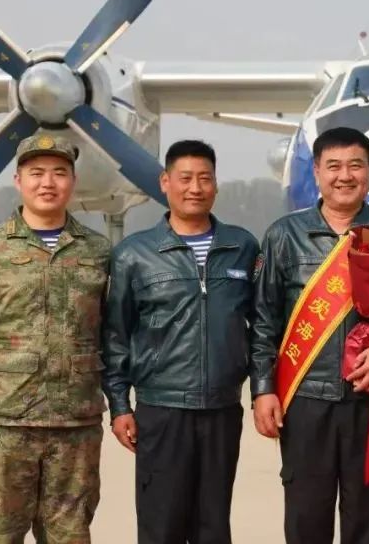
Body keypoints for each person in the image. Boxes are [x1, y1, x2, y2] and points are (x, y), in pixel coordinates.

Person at [251, 126, 369, 544]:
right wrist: (262, 389)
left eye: (355, 166)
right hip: (304, 400)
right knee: (306, 519)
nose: (345, 176)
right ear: (316, 172)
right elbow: (263, 320)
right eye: (333, 166)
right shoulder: (284, 236)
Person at [0, 134, 110, 543]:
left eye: (59, 173)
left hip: (75, 425)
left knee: (71, 535)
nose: (47, 182)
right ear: (18, 180)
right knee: (0, 535)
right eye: (36, 173)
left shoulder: (99, 252)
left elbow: (114, 334)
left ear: (73, 181)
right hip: (4, 425)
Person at [101, 139, 260, 544]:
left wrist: (261, 389)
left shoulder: (242, 247)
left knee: (214, 526)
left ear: (216, 185)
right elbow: (116, 336)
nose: (195, 188)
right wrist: (119, 405)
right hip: (161, 410)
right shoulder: (134, 254)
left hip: (223, 410)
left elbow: (261, 326)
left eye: (205, 178)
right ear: (165, 182)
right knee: (162, 525)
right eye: (185, 178)